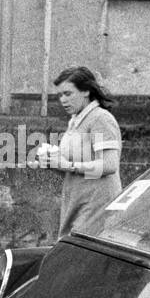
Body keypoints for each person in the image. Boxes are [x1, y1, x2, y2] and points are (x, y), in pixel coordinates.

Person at [32, 66, 123, 238]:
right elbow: (72, 168)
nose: (63, 100)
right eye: (60, 95)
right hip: (76, 203)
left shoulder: (100, 118)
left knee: (77, 257)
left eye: (68, 93)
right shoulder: (75, 121)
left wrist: (69, 165)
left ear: (86, 91)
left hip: (96, 205)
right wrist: (51, 163)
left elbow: (110, 165)